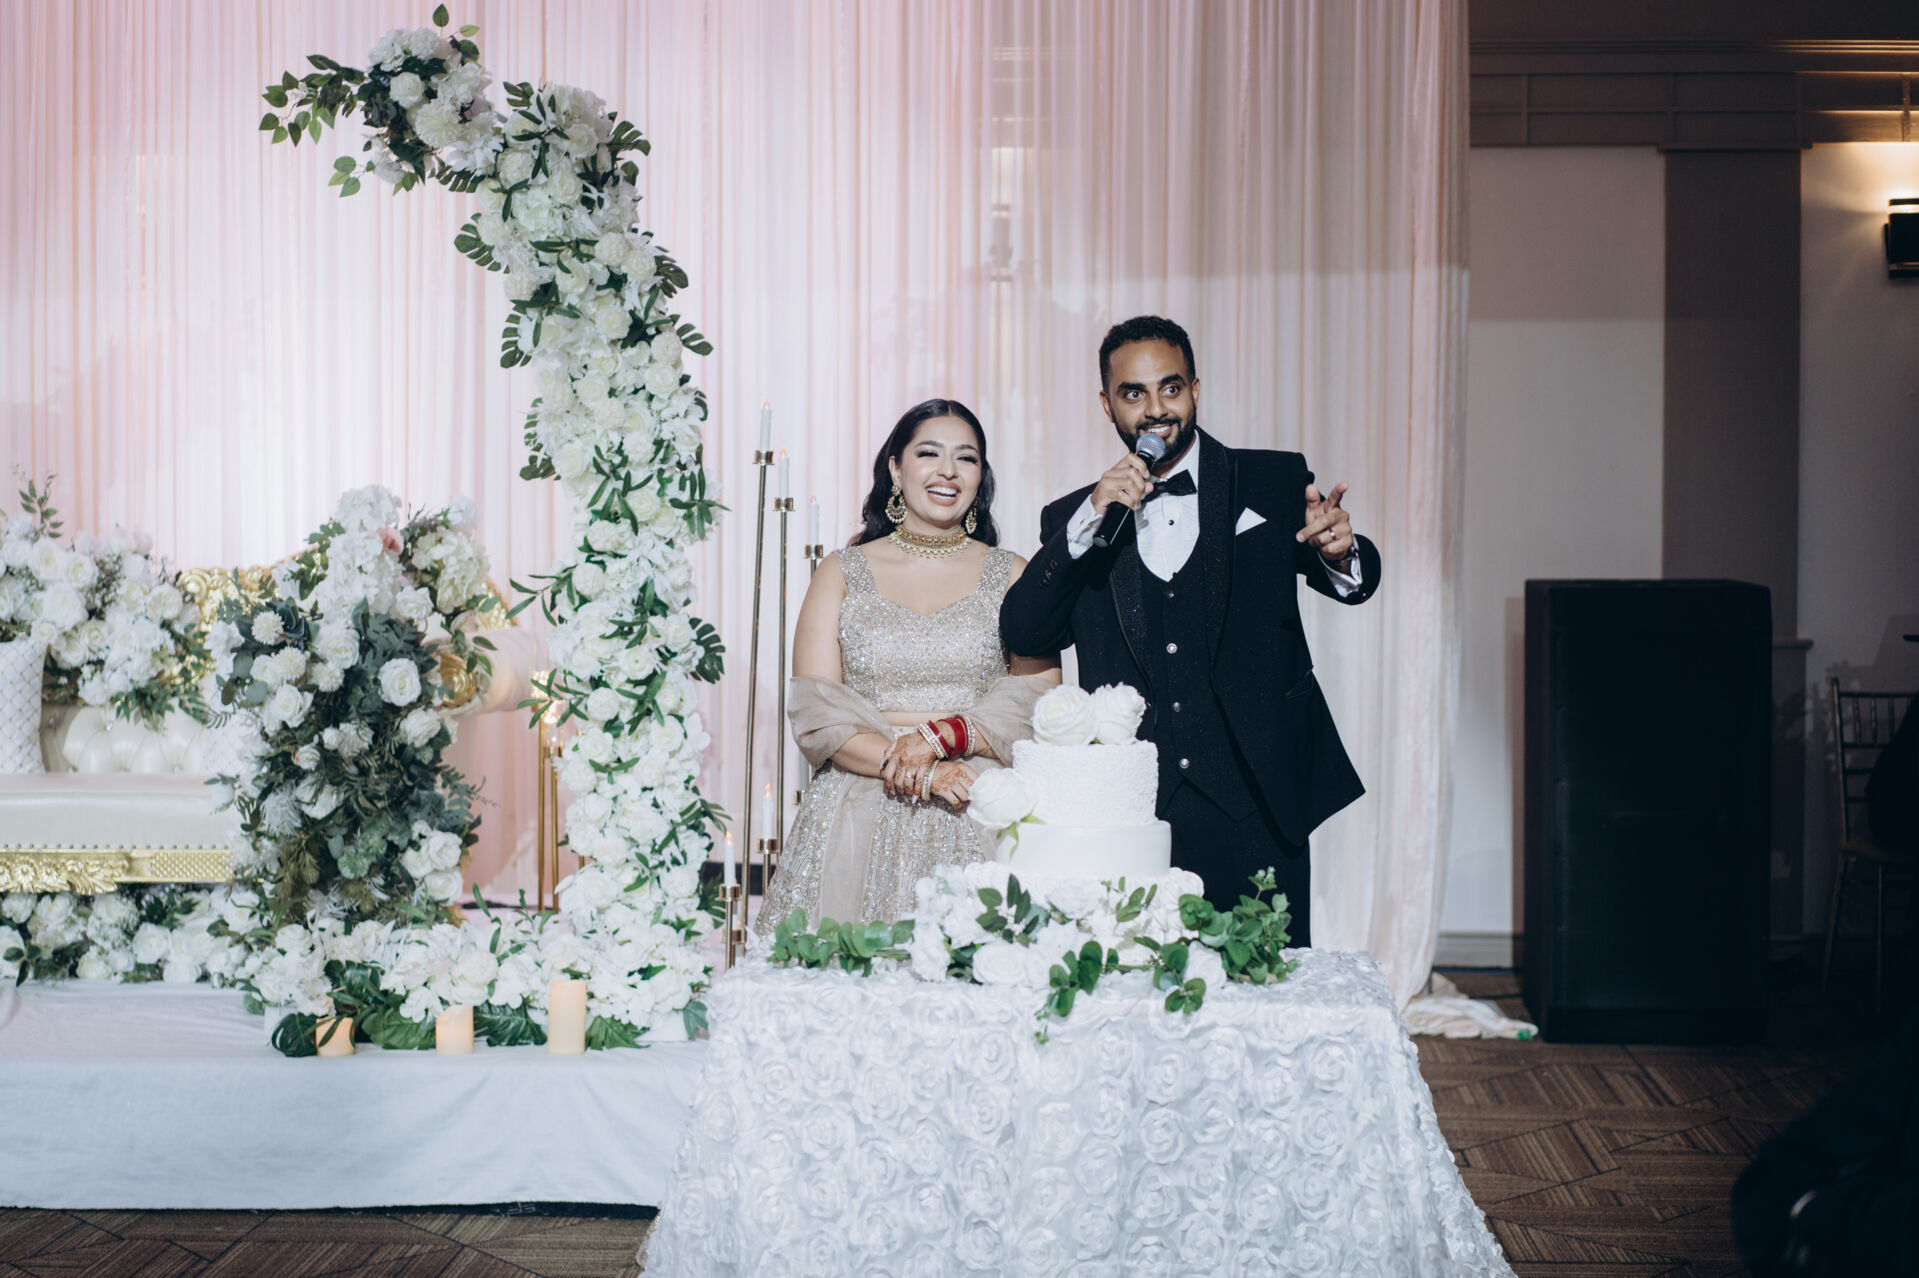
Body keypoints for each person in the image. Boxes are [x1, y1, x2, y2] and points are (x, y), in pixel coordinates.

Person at [997, 316, 1379, 945]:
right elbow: (1025, 629)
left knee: (1268, 983)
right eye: (1134, 393)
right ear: (1107, 404)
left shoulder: (1271, 480)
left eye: (1170, 388)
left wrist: (1341, 551)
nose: (1156, 409)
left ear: (1195, 390)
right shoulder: (1076, 515)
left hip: (1259, 798)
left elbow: (1347, 576)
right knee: (1136, 986)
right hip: (1133, 812)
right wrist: (1089, 519)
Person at [757, 399, 1060, 938]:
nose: (948, 471)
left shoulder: (1013, 573)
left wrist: (944, 739)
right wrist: (923, 771)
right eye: (929, 454)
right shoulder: (842, 572)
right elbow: (818, 712)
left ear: (980, 477)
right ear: (896, 469)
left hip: (979, 797)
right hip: (858, 804)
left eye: (966, 458)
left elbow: (1038, 700)